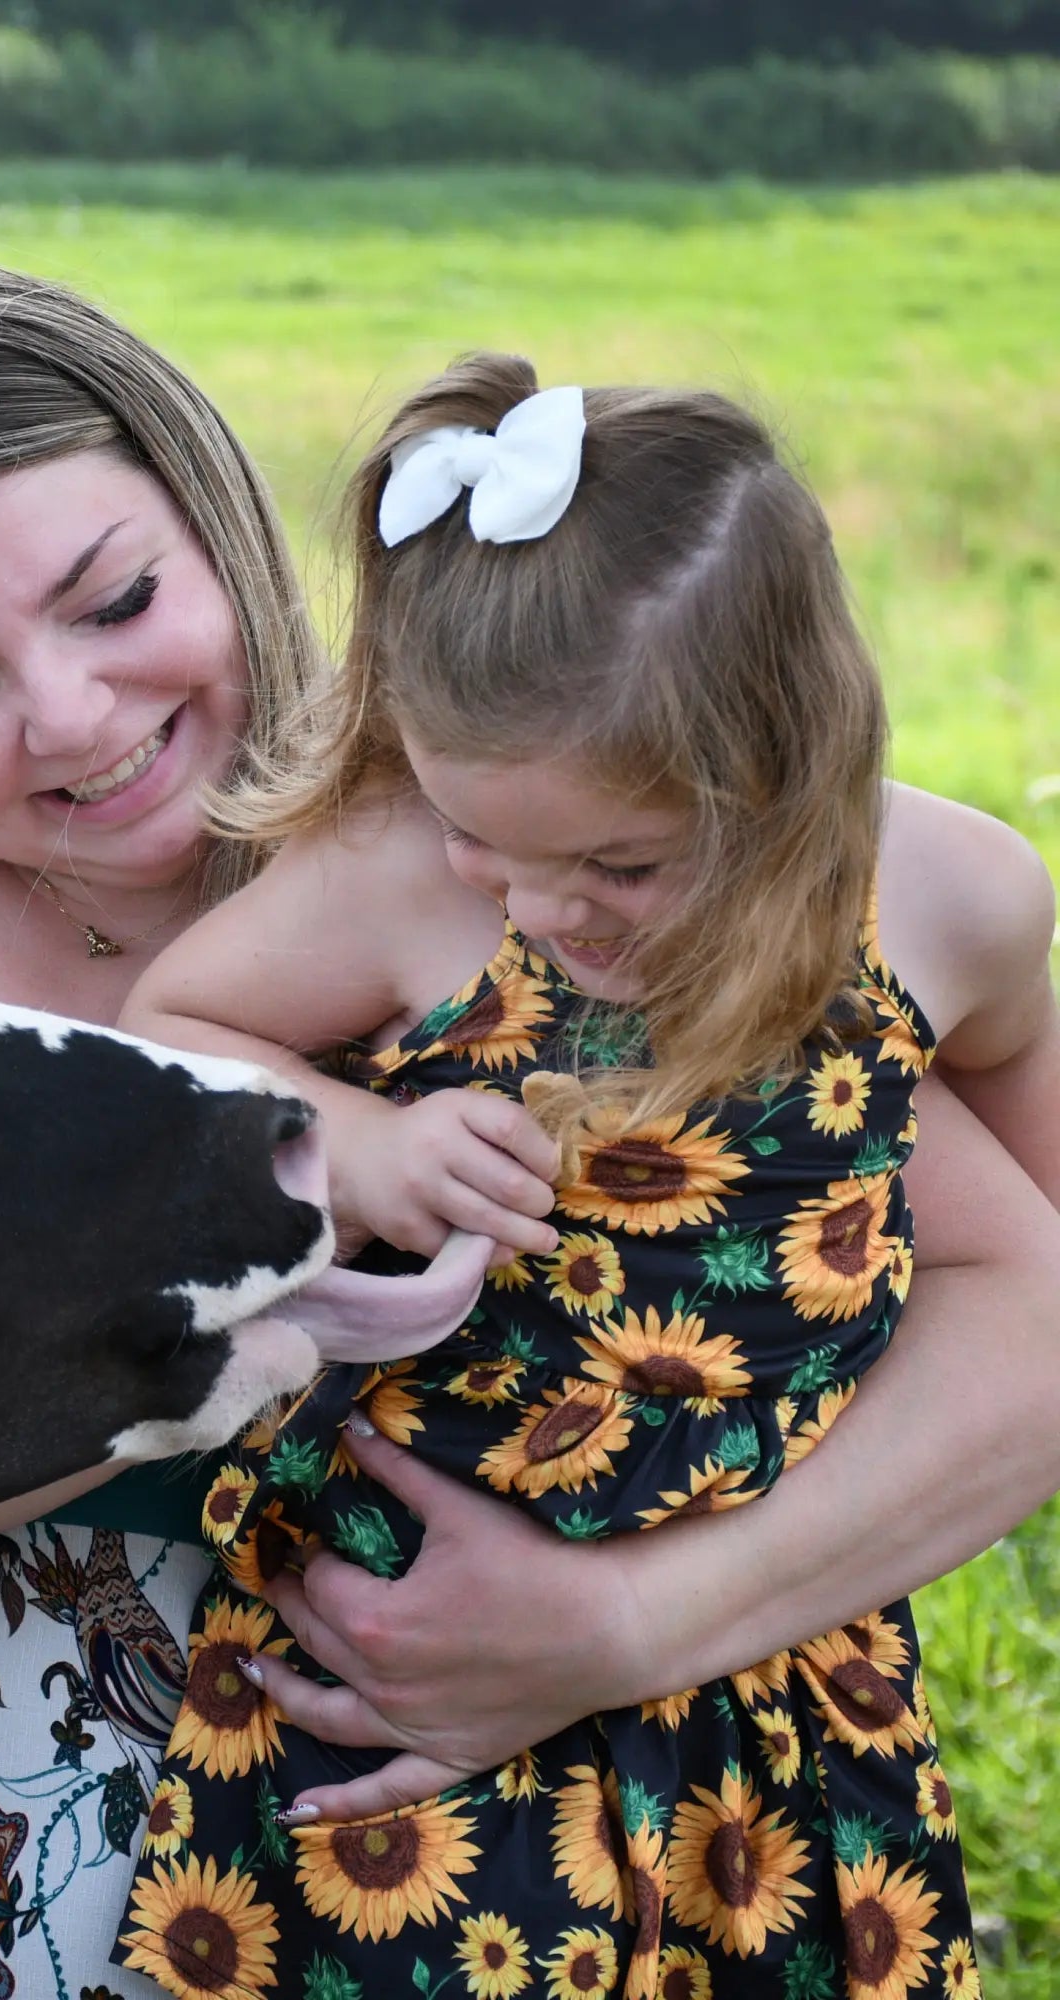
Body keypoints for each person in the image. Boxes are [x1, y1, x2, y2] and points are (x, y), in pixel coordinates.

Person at [0, 268, 1060, 2000]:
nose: (68, 719)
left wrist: (622, 1628)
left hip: (520, 1855)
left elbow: (996, 1275)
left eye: (118, 598)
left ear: (213, 520)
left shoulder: (472, 826)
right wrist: (190, 1378)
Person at [115, 354, 1060, 1997]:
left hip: (776, 1658)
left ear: (787, 759)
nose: (543, 905)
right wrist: (365, 1141)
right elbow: (176, 1027)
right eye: (493, 840)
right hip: (424, 1676)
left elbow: (1023, 1111)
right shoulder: (415, 883)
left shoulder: (954, 902)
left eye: (617, 862)